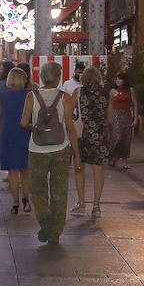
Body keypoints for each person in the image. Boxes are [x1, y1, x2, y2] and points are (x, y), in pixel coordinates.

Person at [21, 60, 83, 245]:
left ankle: (46, 221)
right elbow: (71, 128)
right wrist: (77, 155)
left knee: (38, 191)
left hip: (37, 150)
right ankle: (55, 232)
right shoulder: (65, 97)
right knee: (59, 192)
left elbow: (23, 123)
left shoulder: (32, 96)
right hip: (60, 150)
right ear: (57, 77)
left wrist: (36, 127)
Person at [74, 66, 110, 218]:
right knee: (98, 169)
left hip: (83, 134)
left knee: (79, 167)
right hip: (100, 135)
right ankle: (96, 206)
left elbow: (71, 113)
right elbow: (110, 118)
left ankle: (81, 204)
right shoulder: (106, 93)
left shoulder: (78, 92)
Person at [0, 67, 31, 212]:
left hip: (8, 135)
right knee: (25, 170)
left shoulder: (3, 96)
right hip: (25, 134)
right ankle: (26, 199)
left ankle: (15, 202)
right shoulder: (29, 95)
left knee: (12, 172)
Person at [59, 63, 85, 215]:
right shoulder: (68, 85)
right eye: (78, 71)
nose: (79, 74)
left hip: (79, 125)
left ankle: (82, 203)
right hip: (74, 121)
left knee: (78, 158)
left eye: (82, 72)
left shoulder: (80, 89)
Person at [108, 71, 140, 169]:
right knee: (117, 138)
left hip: (127, 115)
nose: (117, 81)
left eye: (120, 79)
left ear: (124, 80)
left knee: (127, 139)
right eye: (116, 79)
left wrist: (135, 119)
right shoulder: (112, 91)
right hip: (116, 116)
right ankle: (113, 157)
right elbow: (110, 106)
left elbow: (135, 104)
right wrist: (109, 119)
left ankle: (125, 161)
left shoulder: (130, 90)